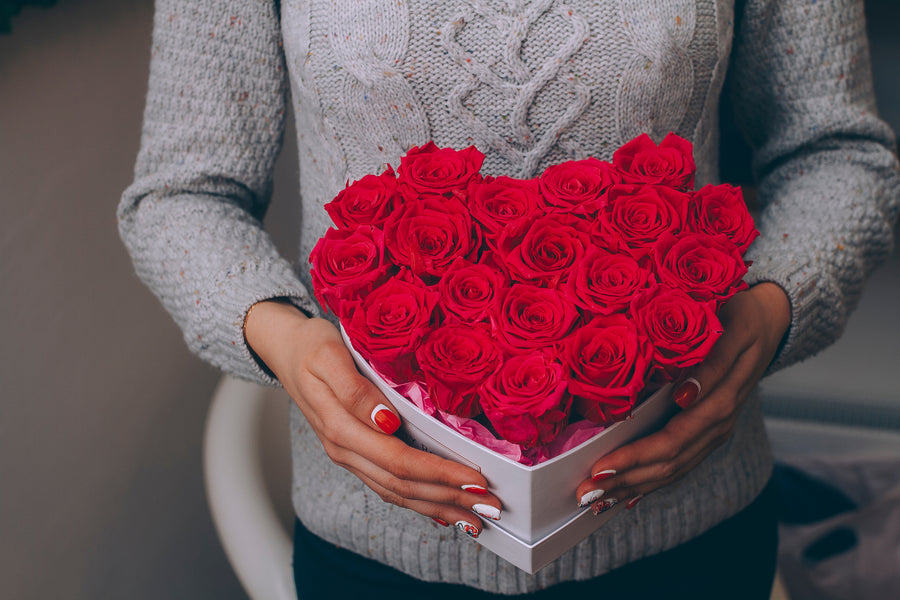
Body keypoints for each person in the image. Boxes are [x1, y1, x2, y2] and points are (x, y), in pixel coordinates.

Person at [118, 0, 899, 598]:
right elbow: (184, 194)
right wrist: (287, 340)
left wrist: (766, 311)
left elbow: (836, 150)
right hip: (380, 550)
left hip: (688, 530)